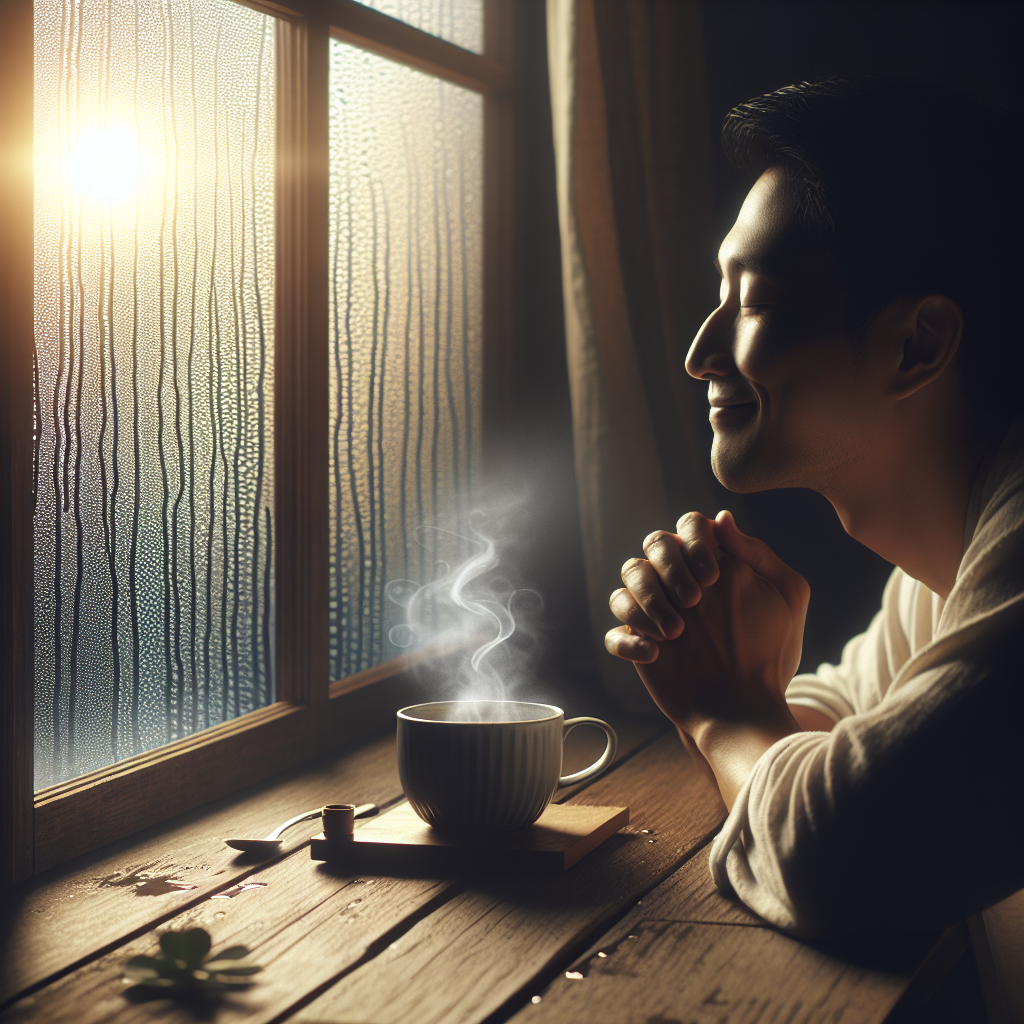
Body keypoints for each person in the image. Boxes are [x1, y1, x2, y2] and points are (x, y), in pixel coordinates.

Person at [604, 78, 1023, 1020]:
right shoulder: (941, 572)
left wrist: (724, 714)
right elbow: (854, 729)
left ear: (917, 345)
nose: (700, 352)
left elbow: (855, 848)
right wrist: (726, 669)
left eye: (753, 301)